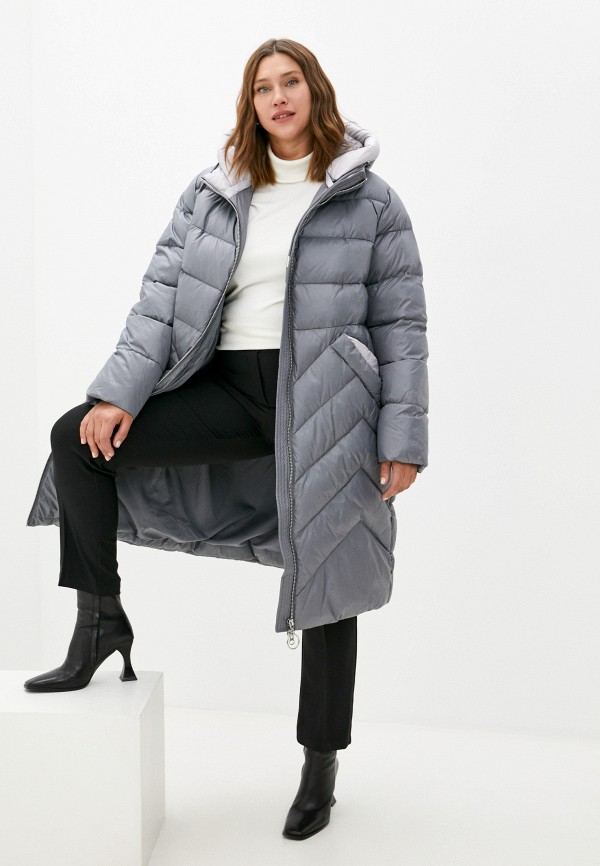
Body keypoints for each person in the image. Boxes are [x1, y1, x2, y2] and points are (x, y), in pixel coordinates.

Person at [24, 38, 429, 840]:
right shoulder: (213, 193)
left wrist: (403, 437)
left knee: (329, 573)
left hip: (325, 399)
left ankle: (320, 764)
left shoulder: (370, 201)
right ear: (251, 104)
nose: (277, 98)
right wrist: (117, 393)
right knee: (78, 439)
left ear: (315, 91)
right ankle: (99, 623)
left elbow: (403, 325)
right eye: (262, 88)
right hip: (230, 389)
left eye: (290, 82)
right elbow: (158, 302)